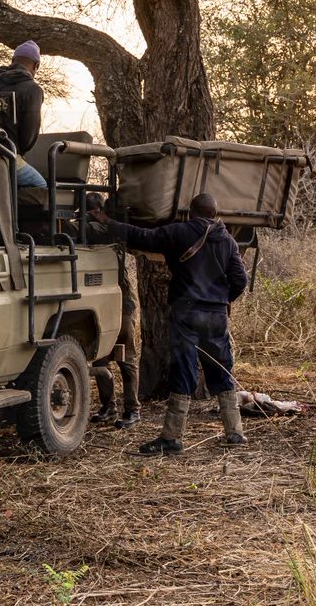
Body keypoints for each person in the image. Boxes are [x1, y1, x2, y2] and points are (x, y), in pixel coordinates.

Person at [89, 192, 248, 455]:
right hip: (216, 314)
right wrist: (221, 300)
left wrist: (108, 221)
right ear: (214, 213)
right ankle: (234, 432)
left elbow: (142, 237)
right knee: (221, 368)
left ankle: (172, 438)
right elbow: (240, 280)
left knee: (184, 370)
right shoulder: (228, 241)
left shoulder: (181, 232)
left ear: (190, 212)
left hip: (186, 312)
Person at [84, 193, 141, 429]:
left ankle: (133, 410)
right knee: (101, 357)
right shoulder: (104, 229)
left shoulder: (106, 230)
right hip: (104, 301)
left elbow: (90, 229)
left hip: (123, 303)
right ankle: (109, 407)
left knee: (126, 358)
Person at [0, 41, 46, 188]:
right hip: (8, 156)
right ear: (36, 65)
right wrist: (19, 151)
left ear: (13, 61)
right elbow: (28, 136)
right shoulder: (33, 89)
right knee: (42, 187)